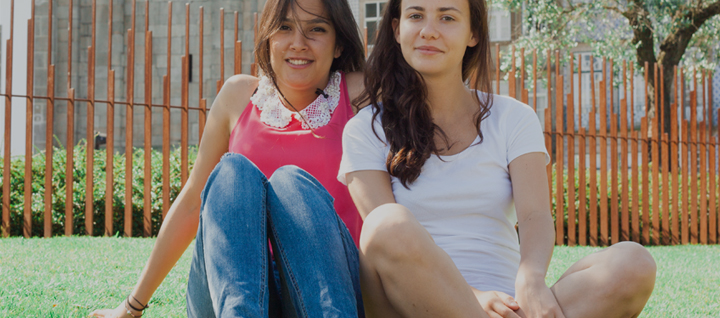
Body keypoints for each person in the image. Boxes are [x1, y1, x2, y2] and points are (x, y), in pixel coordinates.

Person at [338, 0, 657, 317]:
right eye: (416, 16)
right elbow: (382, 239)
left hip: (507, 306)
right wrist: (473, 299)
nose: (429, 31)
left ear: (473, 33)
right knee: (386, 223)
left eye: (447, 18)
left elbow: (535, 215)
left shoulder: (513, 117)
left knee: (633, 263)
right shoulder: (364, 130)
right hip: (411, 305)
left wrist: (531, 279)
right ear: (396, 29)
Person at [90, 0, 367, 316]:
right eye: (284, 28)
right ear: (267, 36)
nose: (298, 44)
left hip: (324, 287)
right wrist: (132, 306)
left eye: (316, 29)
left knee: (290, 183)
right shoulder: (238, 96)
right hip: (232, 289)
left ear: (339, 44)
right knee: (232, 172)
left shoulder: (359, 94)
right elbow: (193, 201)